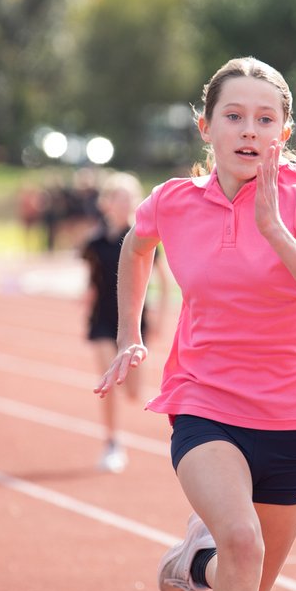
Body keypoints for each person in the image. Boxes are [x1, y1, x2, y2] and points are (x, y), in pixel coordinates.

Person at [94, 57, 296, 591]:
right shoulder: (174, 202)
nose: (249, 130)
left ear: (285, 134)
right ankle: (213, 557)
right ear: (205, 127)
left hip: (295, 417)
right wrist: (130, 334)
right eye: (234, 116)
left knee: (243, 585)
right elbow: (137, 246)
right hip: (205, 403)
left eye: (265, 119)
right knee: (243, 545)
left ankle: (197, 564)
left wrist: (274, 230)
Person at [80, 171, 170, 473]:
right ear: (106, 203)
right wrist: (86, 299)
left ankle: (114, 437)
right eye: (119, 197)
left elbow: (162, 281)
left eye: (130, 197)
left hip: (132, 322)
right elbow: (92, 281)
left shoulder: (142, 238)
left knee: (133, 392)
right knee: (108, 378)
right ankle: (112, 441)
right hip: (102, 320)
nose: (125, 203)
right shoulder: (94, 242)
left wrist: (157, 317)